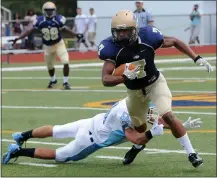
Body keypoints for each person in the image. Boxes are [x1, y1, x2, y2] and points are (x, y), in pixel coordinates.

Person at [98, 10, 213, 167]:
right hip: (134, 91)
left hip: (155, 83)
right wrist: (124, 77)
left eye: (126, 31)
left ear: (135, 29)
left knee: (168, 116)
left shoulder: (148, 36)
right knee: (140, 127)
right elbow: (105, 79)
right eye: (119, 31)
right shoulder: (111, 47)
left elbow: (174, 41)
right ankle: (138, 145)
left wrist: (196, 57)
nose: (122, 35)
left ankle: (192, 153)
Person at [2, 98, 202, 164]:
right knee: (60, 155)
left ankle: (23, 135)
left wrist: (178, 124)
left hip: (92, 121)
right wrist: (151, 134)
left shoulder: (133, 100)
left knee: (57, 130)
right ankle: (17, 151)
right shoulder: (127, 113)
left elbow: (153, 118)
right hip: (91, 139)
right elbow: (136, 137)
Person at [9, 2, 76, 90]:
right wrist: (18, 38)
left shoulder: (59, 19)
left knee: (65, 61)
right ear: (44, 11)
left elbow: (65, 28)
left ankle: (65, 82)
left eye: (51, 10)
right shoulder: (39, 20)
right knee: (49, 66)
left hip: (59, 44)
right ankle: (53, 80)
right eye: (47, 11)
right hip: (47, 46)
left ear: (55, 10)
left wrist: (76, 34)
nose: (49, 13)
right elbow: (29, 30)